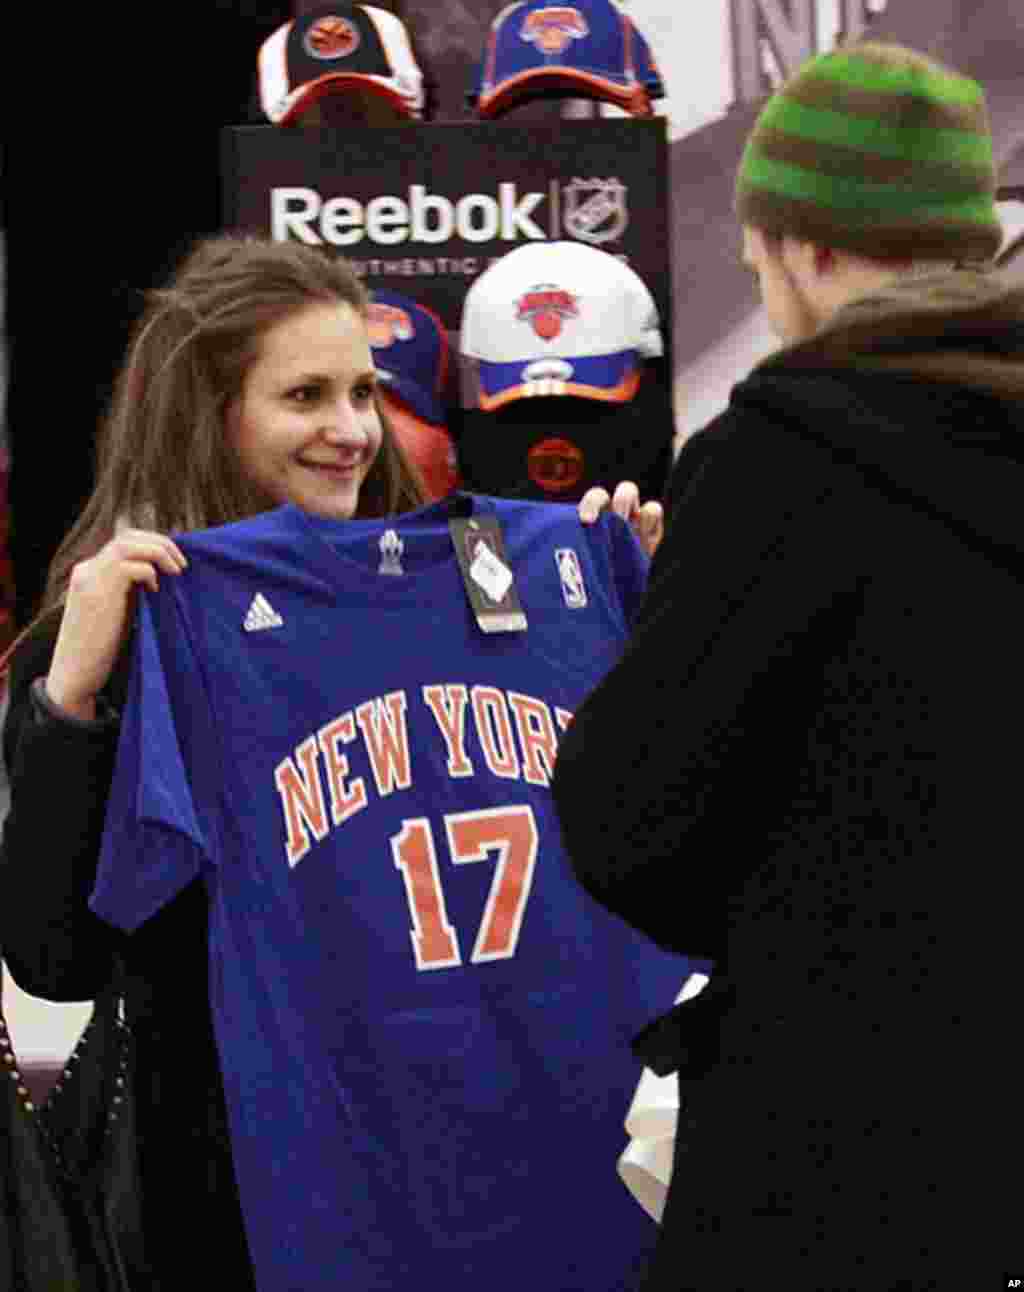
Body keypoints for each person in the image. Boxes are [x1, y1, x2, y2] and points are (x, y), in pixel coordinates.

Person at [0, 233, 674, 1290]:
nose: (352, 429)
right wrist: (70, 700)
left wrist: (633, 597)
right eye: (305, 396)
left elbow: (650, 830)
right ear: (209, 410)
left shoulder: (484, 569)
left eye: (363, 389)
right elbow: (54, 958)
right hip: (248, 1189)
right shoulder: (130, 619)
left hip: (514, 1135)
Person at [551, 40, 1024, 1290]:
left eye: (760, 253)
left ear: (810, 247)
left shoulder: (779, 453)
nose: (761, 284)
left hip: (827, 1150)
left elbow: (629, 817)